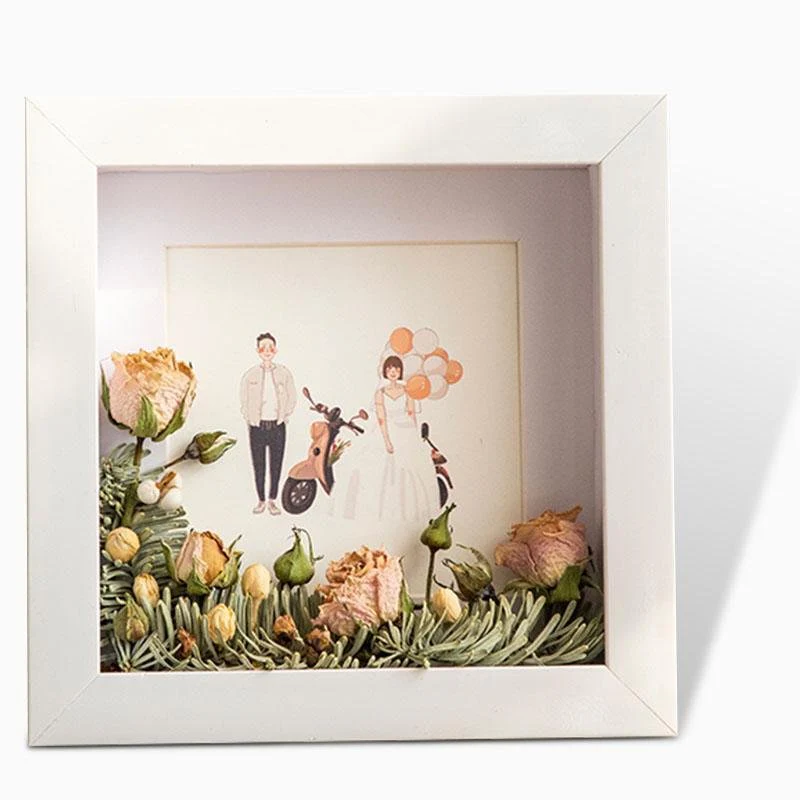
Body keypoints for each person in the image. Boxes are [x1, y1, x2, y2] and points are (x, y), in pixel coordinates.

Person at [240, 332, 296, 515]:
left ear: (275, 350)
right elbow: (244, 399)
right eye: (263, 348)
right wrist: (250, 418)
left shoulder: (284, 373)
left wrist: (285, 414)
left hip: (278, 426)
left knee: (276, 464)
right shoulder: (251, 375)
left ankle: (272, 500)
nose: (267, 351)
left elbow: (292, 396)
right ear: (258, 350)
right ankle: (261, 500)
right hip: (257, 426)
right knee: (259, 465)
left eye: (270, 347)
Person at [373, 355, 435, 522]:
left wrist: (413, 437)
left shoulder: (407, 391)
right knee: (389, 471)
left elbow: (411, 414)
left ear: (400, 371)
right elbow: (381, 418)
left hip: (406, 431)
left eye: (396, 369)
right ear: (385, 371)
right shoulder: (380, 393)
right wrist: (386, 440)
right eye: (389, 369)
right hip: (389, 431)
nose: (393, 372)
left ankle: (411, 509)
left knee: (412, 470)